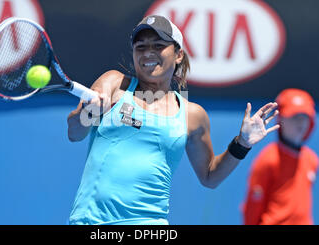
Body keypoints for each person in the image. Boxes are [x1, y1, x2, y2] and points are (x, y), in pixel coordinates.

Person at [67, 15, 280, 225]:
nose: (148, 53)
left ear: (178, 54)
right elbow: (75, 133)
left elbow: (210, 176)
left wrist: (242, 143)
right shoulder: (114, 83)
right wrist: (88, 112)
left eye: (158, 45)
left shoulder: (192, 115)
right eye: (140, 47)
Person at [242, 88, 319, 225]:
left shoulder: (312, 160)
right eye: (295, 117)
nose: (300, 123)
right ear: (281, 119)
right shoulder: (268, 159)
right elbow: (252, 209)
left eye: (305, 117)